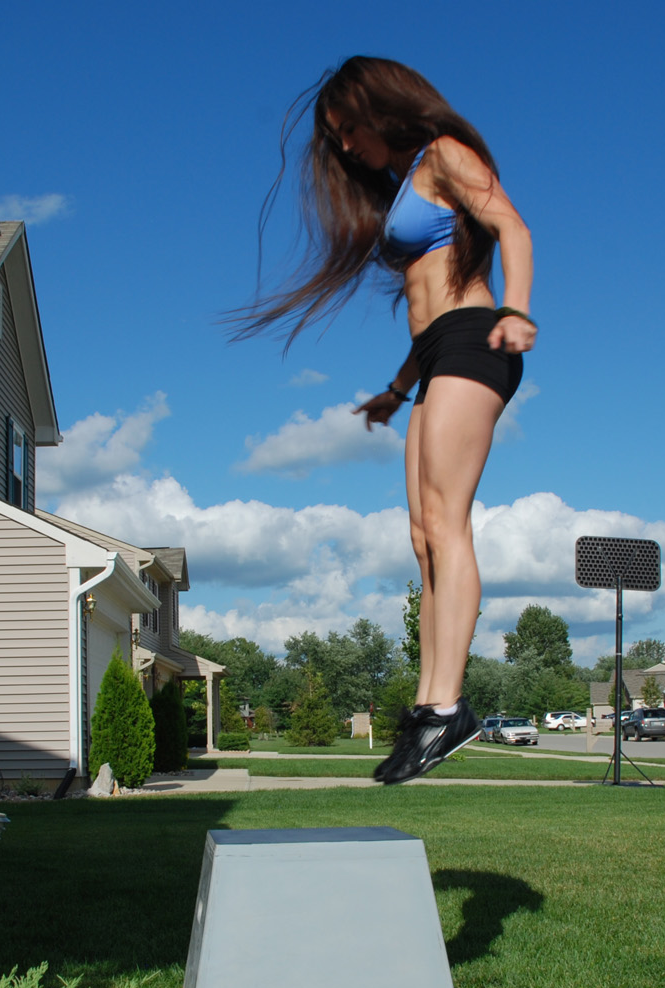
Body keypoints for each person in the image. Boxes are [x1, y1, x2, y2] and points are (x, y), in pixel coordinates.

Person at [234, 57, 535, 784]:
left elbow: (513, 228)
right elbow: (423, 309)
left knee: (447, 523)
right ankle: (429, 706)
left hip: (476, 338)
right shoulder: (406, 183)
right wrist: (396, 391)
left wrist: (518, 309)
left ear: (380, 109)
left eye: (348, 129)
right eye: (334, 136)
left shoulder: (444, 155)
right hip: (433, 358)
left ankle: (446, 707)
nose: (344, 146)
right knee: (423, 537)